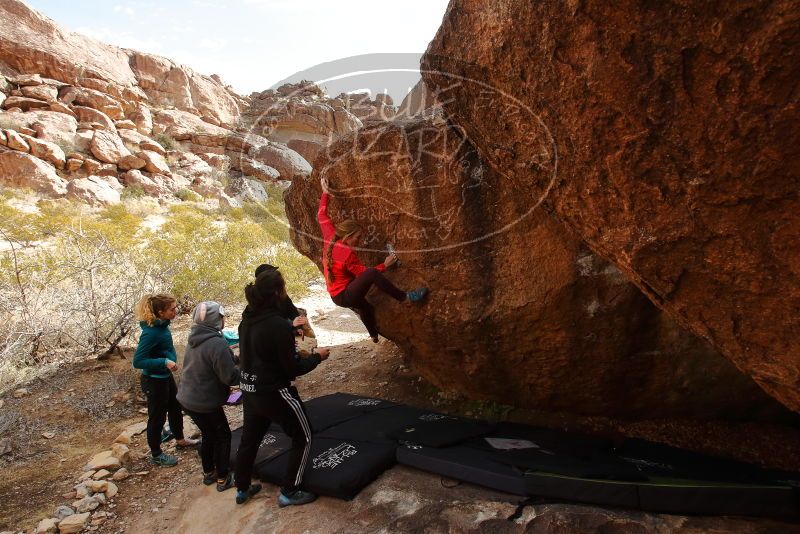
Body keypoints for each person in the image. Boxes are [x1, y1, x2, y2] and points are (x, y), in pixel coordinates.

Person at [234, 268, 331, 507]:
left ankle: (242, 488)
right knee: (304, 436)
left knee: (250, 439)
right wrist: (317, 357)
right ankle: (290, 490)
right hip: (274, 391)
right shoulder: (277, 324)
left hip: (250, 388)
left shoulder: (248, 317)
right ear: (278, 292)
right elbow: (292, 369)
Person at [318, 176, 428, 342]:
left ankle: (373, 335)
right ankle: (405, 298)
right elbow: (365, 274)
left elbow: (321, 214)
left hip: (336, 295)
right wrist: (384, 265)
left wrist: (325, 193)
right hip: (344, 295)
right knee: (371, 275)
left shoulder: (329, 236)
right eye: (358, 237)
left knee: (365, 306)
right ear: (348, 236)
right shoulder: (347, 253)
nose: (359, 241)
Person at [177, 301, 240, 491]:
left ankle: (208, 473)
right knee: (223, 436)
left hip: (187, 399)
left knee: (209, 434)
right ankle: (223, 478)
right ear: (215, 320)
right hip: (205, 401)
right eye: (222, 317)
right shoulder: (217, 343)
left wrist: (236, 358)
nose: (224, 320)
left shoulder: (195, 338)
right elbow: (230, 377)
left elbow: (215, 360)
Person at [133, 294, 199, 467]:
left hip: (164, 377)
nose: (175, 311)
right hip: (153, 381)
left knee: (175, 408)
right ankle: (156, 454)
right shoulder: (151, 333)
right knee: (157, 417)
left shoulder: (161, 326)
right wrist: (164, 362)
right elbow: (138, 361)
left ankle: (180, 440)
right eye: (172, 309)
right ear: (160, 312)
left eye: (175, 308)